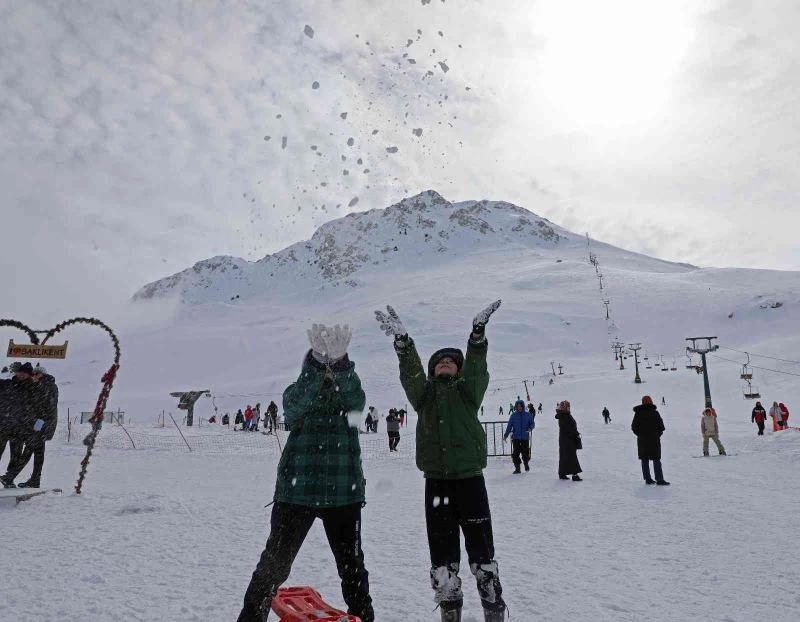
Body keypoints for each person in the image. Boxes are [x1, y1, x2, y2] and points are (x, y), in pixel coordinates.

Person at [376, 301, 506, 622]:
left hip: (470, 482)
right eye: (440, 362)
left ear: (458, 370)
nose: (445, 363)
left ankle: (494, 612)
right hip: (436, 484)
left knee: (483, 559)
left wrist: (476, 337)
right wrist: (404, 345)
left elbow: (477, 368)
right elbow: (412, 373)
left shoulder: (468, 393)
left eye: (451, 361)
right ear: (433, 371)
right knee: (443, 562)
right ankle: (450, 613)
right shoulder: (424, 396)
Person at [237, 323, 374, 622]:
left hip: (343, 492)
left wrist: (340, 363)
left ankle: (364, 618)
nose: (327, 371)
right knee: (274, 565)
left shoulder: (349, 399)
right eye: (323, 366)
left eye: (331, 365)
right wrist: (317, 362)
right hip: (296, 493)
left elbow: (357, 399)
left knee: (352, 569)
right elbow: (294, 404)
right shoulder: (298, 394)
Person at [3, 364, 58, 488]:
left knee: (28, 451)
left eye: (36, 374)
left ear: (41, 374)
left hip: (42, 425)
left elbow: (48, 406)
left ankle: (10, 476)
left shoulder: (48, 385)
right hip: (41, 424)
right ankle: (35, 479)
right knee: (38, 452)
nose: (33, 376)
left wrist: (40, 421)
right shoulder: (43, 385)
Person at [0, 362, 31, 486]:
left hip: (19, 427)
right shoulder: (6, 384)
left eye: (25, 373)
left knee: (16, 455)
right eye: (21, 372)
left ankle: (9, 479)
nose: (22, 375)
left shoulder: (31, 389)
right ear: (17, 372)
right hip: (2, 425)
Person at [631, 396, 669, 485]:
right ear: (651, 402)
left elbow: (634, 427)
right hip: (654, 440)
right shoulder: (655, 413)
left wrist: (640, 435)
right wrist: (657, 435)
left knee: (644, 459)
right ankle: (659, 479)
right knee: (656, 459)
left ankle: (648, 479)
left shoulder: (638, 413)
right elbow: (661, 426)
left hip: (642, 440)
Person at [504, 399, 534, 473]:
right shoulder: (513, 415)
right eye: (517, 407)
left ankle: (526, 463)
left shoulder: (528, 415)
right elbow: (509, 426)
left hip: (525, 437)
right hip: (516, 437)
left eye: (520, 406)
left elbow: (532, 423)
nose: (519, 408)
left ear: (523, 406)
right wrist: (506, 435)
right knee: (515, 454)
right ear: (516, 407)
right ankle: (517, 469)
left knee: (525, 452)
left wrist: (530, 428)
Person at [555, 400, 582, 481]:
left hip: (565, 440)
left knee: (564, 456)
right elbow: (570, 429)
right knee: (572, 457)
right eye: (567, 407)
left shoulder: (563, 416)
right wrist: (576, 434)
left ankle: (562, 473)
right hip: (568, 440)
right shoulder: (565, 416)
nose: (568, 408)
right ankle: (574, 475)